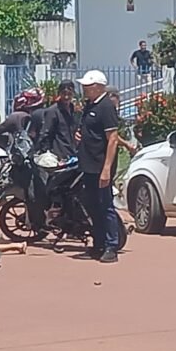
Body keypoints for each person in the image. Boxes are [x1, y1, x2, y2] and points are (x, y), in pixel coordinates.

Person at [75, 70, 121, 264]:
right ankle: (98, 243)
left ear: (98, 87)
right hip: (88, 165)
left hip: (101, 165)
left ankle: (112, 245)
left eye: (88, 86)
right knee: (93, 206)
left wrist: (106, 169)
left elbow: (113, 139)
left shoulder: (106, 107)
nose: (84, 89)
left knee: (105, 206)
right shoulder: (89, 106)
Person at [38, 80, 77, 160]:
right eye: (64, 94)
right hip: (58, 155)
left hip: (72, 153)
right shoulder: (53, 111)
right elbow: (45, 134)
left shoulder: (72, 109)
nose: (66, 97)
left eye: (69, 94)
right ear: (59, 94)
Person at [107, 87, 137, 156]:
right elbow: (112, 135)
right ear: (110, 96)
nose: (119, 100)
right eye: (117, 97)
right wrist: (126, 144)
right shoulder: (108, 112)